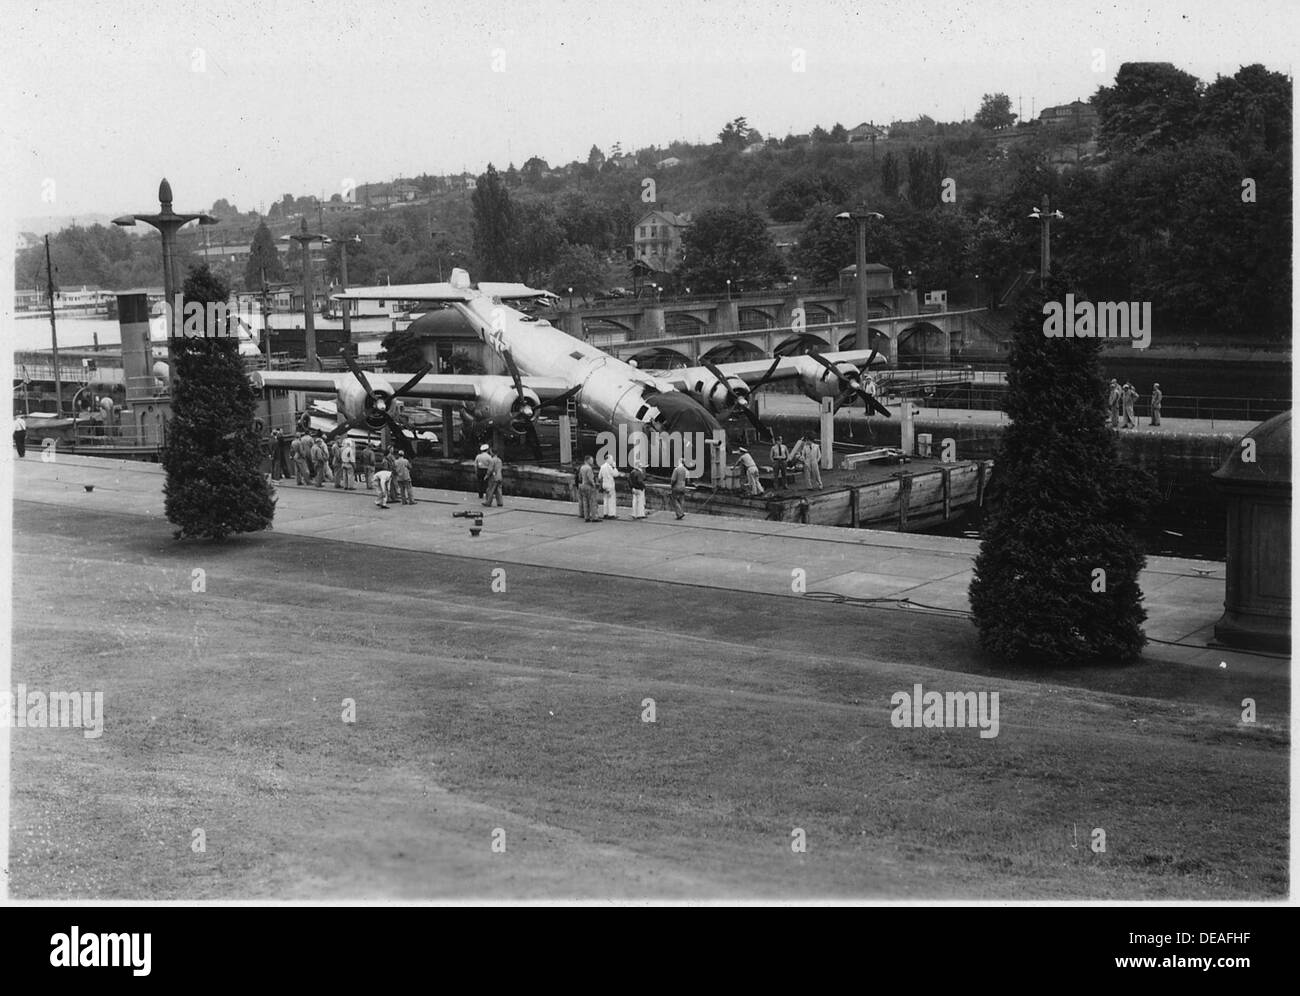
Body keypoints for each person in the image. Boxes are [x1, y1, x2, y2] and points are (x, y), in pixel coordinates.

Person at [598, 453, 619, 519]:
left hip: (604, 485)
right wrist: (614, 467)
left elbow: (599, 476)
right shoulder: (610, 467)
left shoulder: (602, 466)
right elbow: (616, 474)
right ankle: (611, 514)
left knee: (605, 499)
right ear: (608, 459)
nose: (612, 461)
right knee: (611, 500)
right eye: (611, 459)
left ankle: (605, 513)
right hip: (610, 485)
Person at [578, 455, 599, 522]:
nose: (592, 461)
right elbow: (590, 478)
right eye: (591, 460)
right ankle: (594, 517)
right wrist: (594, 484)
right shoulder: (589, 468)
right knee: (593, 502)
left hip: (583, 485)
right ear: (588, 460)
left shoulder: (582, 467)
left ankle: (586, 517)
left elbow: (580, 477)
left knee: (585, 502)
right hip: (588, 486)